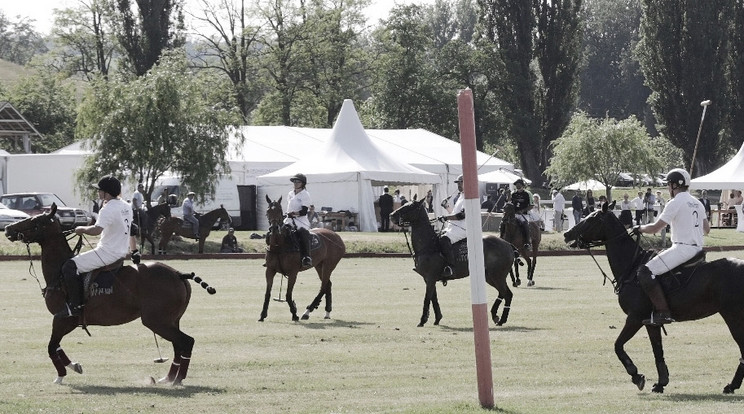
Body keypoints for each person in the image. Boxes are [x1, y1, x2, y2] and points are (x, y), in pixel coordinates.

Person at [633, 168, 709, 326]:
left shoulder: (674, 203)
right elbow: (706, 230)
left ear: (675, 185)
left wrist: (639, 228)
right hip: (698, 250)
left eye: (669, 185)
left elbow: (655, 228)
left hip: (682, 249)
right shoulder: (698, 203)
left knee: (645, 271)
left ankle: (663, 312)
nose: (668, 188)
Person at [55, 176, 133, 318]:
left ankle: (75, 306)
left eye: (100, 191)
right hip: (121, 252)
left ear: (106, 193)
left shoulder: (108, 208)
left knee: (69, 266)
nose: (98, 193)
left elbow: (97, 230)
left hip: (107, 254)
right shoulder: (126, 206)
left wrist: (81, 229)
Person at [439, 175, 466, 276]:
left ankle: (451, 266)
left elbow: (461, 215)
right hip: (454, 227)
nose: (459, 185)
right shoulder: (460, 197)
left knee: (444, 239)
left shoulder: (468, 197)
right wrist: (447, 207)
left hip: (463, 228)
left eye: (461, 182)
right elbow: (454, 213)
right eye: (458, 183)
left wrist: (446, 218)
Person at [285, 173, 313, 266]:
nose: (295, 183)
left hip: (301, 221)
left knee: (302, 233)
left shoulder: (305, 194)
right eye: (294, 181)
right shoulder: (290, 193)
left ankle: (306, 257)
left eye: (298, 182)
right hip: (288, 220)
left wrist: (294, 214)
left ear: (303, 183)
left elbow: (304, 211)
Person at [504, 178, 532, 250]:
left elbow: (531, 206)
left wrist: (523, 210)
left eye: (518, 184)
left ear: (522, 185)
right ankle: (502, 237)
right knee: (504, 222)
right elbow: (509, 201)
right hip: (514, 214)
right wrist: (508, 193)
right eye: (516, 185)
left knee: (525, 224)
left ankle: (527, 242)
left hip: (524, 214)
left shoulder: (527, 194)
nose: (517, 186)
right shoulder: (513, 193)